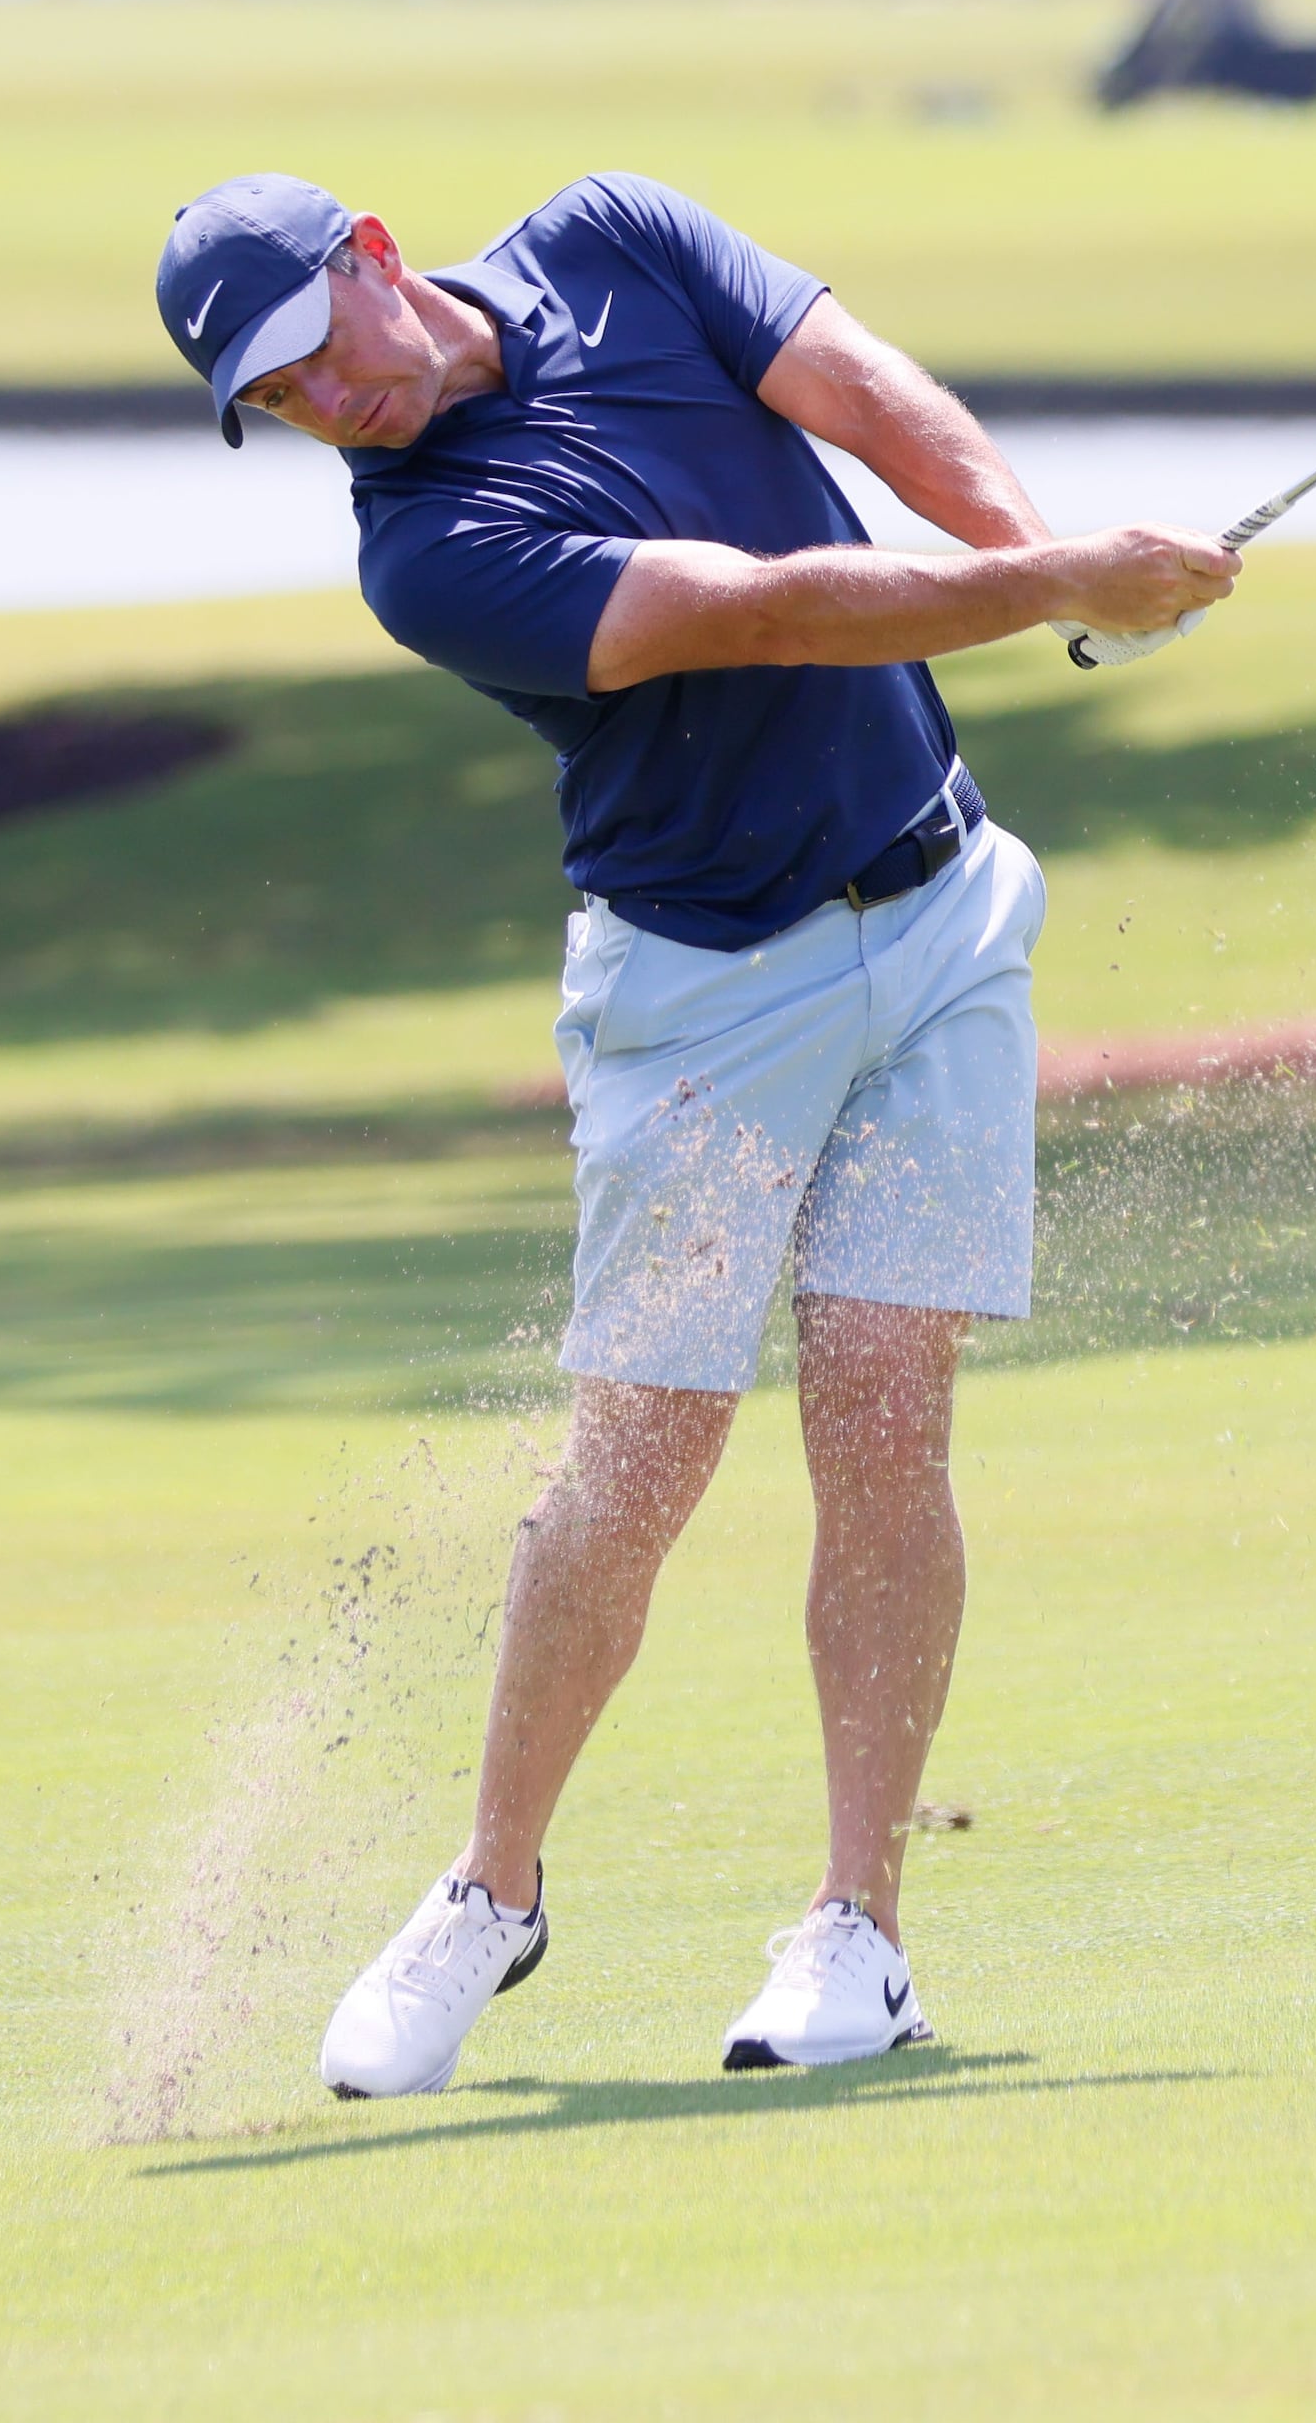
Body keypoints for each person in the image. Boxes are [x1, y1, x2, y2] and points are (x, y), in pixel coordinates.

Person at [152, 171, 1237, 2096]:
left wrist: (1036, 549)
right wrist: (1055, 588)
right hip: (705, 993)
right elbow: (762, 615)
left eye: (321, 352)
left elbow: (866, 396)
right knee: (640, 1463)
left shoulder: (618, 237)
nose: (329, 405)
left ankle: (859, 1935)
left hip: (943, 915)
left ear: (376, 260)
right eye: (281, 402)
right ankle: (494, 1891)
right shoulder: (427, 551)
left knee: (888, 1418)